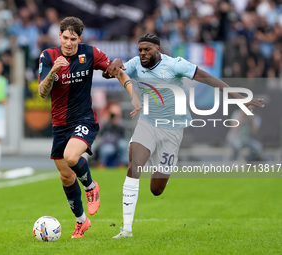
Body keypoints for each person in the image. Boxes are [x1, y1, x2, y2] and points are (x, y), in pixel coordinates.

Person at [105, 33, 265, 238]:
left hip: (172, 129)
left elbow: (208, 78)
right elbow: (111, 73)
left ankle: (162, 169)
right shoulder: (136, 64)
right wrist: (116, 63)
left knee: (156, 189)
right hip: (148, 123)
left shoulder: (175, 65)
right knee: (134, 166)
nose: (143, 53)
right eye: (140, 50)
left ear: (157, 50)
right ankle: (126, 229)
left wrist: (237, 97)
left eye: (147, 50)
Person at [38, 16, 141, 238]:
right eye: (64, 37)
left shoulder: (90, 53)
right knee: (66, 176)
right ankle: (81, 222)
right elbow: (42, 91)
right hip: (60, 125)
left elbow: (118, 72)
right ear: (59, 36)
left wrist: (134, 95)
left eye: (72, 39)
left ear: (79, 38)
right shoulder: (48, 56)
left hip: (84, 119)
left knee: (72, 157)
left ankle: (91, 186)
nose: (68, 43)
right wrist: (53, 71)